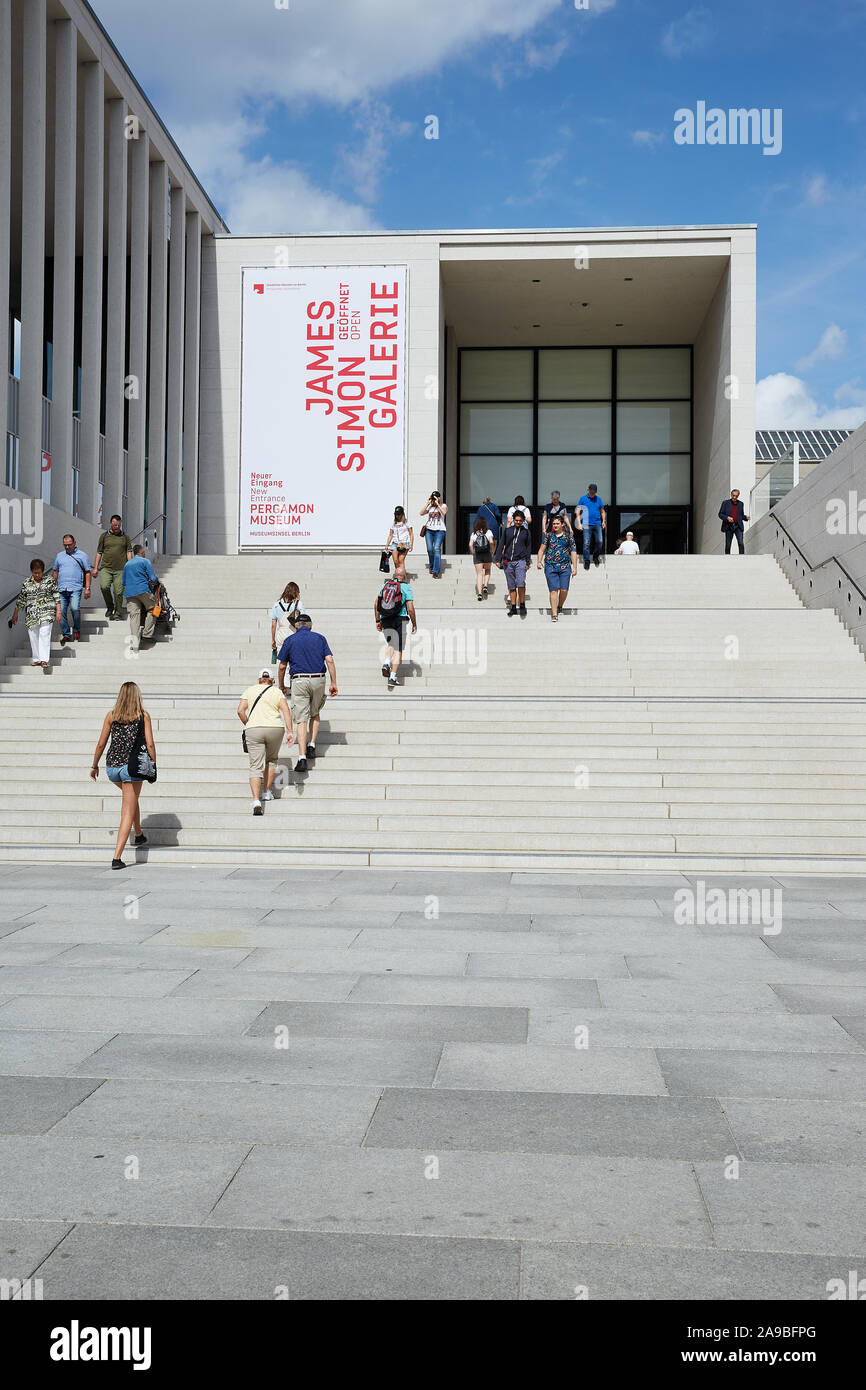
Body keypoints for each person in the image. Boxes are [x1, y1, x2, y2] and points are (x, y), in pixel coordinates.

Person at [89, 680, 156, 869]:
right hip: (132, 768)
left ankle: (139, 834)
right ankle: (116, 857)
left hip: (112, 768)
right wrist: (153, 767)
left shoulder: (111, 716)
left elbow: (101, 744)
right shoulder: (143, 716)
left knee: (131, 798)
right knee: (127, 809)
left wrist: (94, 765)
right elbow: (150, 744)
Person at [277, 616, 338, 771]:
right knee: (315, 712)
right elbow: (329, 660)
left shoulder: (290, 640)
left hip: (299, 680)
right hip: (318, 679)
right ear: (310, 626)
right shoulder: (320, 638)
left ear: (296, 626)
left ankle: (302, 757)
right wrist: (333, 683)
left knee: (301, 719)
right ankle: (311, 744)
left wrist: (281, 685)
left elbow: (282, 666)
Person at [237, 667, 295, 815]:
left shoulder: (249, 690)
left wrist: (249, 723)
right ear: (272, 680)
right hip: (275, 728)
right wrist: (290, 731)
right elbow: (286, 710)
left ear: (259, 680)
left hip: (254, 729)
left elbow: (240, 710)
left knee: (255, 766)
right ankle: (267, 792)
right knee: (271, 760)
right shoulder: (276, 692)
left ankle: (256, 801)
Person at [11, 557, 61, 667]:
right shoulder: (26, 583)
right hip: (31, 615)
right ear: (31, 571)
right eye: (35, 573)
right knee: (33, 636)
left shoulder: (49, 581)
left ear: (43, 571)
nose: (37, 575)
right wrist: (15, 614)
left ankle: (44, 660)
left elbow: (57, 596)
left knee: (44, 634)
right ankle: (37, 659)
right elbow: (21, 600)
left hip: (46, 613)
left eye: (39, 573)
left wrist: (58, 612)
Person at [374, 575, 417, 688]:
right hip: (400, 619)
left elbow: (376, 604)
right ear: (404, 577)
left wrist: (378, 620)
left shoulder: (385, 586)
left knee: (391, 643)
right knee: (398, 649)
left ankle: (387, 661)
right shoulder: (406, 588)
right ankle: (392, 677)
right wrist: (414, 624)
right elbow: (410, 607)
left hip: (385, 618)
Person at [51, 533, 91, 645]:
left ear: (74, 543)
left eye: (69, 544)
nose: (67, 547)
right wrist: (52, 587)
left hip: (76, 588)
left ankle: (77, 629)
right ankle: (66, 635)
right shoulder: (59, 556)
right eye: (65, 545)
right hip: (61, 589)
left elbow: (88, 573)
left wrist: (87, 588)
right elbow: (55, 571)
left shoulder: (82, 555)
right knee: (61, 611)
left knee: (74, 608)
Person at [537, 513, 577, 620]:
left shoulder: (569, 536)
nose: (555, 525)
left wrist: (575, 568)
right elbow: (541, 550)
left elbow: (573, 551)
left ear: (562, 524)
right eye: (553, 524)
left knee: (564, 590)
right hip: (551, 566)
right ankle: (554, 614)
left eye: (557, 523)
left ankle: (560, 605)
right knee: (553, 590)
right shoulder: (548, 536)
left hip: (565, 566)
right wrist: (539, 562)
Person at [92, 515, 133, 621]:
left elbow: (129, 552)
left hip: (121, 569)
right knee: (104, 587)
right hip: (106, 567)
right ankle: (110, 606)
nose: (116, 527)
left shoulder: (125, 537)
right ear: (110, 523)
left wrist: (130, 566)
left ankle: (118, 613)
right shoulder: (104, 536)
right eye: (115, 525)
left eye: (118, 525)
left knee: (118, 592)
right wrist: (95, 568)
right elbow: (99, 552)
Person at [122, 545, 159, 651]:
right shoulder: (145, 561)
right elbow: (153, 578)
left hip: (130, 593)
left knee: (134, 616)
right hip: (143, 590)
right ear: (142, 552)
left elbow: (123, 582)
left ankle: (134, 644)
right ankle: (147, 634)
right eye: (144, 552)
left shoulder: (127, 564)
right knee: (154, 608)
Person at [496, 508, 532, 617]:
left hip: (521, 560)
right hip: (508, 561)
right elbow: (501, 544)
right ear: (513, 520)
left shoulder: (526, 532)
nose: (518, 522)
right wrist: (497, 559)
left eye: (520, 520)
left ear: (523, 521)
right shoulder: (508, 531)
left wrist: (527, 561)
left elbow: (528, 547)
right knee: (511, 586)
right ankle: (513, 607)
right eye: (516, 520)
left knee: (520, 583)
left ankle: (522, 605)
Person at [269, 582, 305, 664]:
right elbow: (303, 621)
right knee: (294, 659)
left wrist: (273, 640)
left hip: (281, 634)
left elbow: (273, 625)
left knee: (282, 661)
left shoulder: (276, 605)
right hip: (294, 633)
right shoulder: (298, 604)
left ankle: (283, 676)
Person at [575, 483, 606, 569]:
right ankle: (587, 561)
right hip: (586, 524)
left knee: (600, 541)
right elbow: (577, 511)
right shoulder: (583, 499)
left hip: (597, 523)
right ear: (588, 490)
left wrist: (603, 521)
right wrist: (579, 523)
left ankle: (595, 557)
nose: (592, 494)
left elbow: (602, 511)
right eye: (591, 492)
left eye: (594, 492)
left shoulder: (598, 499)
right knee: (586, 543)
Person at [420, 491, 447, 577]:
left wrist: (438, 504)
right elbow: (421, 513)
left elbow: (444, 513)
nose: (433, 500)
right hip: (429, 530)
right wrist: (427, 503)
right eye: (433, 498)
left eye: (435, 498)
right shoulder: (430, 507)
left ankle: (435, 570)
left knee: (436, 548)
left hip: (440, 530)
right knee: (430, 549)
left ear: (438, 498)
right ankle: (431, 567)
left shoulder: (443, 506)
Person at [469, 516, 495, 599]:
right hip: (487, 553)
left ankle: (479, 593)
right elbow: (491, 542)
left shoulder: (474, 533)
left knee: (479, 574)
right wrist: (492, 551)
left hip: (478, 554)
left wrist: (473, 553)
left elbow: (470, 544)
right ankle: (485, 586)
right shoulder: (489, 532)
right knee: (487, 570)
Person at [385, 506, 413, 583]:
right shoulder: (393, 523)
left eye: (399, 514)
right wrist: (387, 545)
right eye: (397, 514)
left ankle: (403, 579)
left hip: (404, 543)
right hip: (395, 543)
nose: (398, 516)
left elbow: (411, 533)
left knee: (401, 560)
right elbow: (390, 534)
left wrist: (411, 544)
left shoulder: (406, 522)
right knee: (395, 560)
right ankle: (399, 574)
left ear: (402, 514)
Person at [719, 488, 750, 554]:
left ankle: (742, 558)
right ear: (731, 495)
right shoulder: (725, 503)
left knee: (741, 543)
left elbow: (740, 515)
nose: (734, 497)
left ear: (738, 496)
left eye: (736, 496)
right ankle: (727, 558)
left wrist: (745, 517)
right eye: (733, 495)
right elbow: (720, 514)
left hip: (738, 526)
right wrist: (727, 518)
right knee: (728, 545)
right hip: (729, 526)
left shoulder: (741, 504)